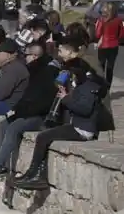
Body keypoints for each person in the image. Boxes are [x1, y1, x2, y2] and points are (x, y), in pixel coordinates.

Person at [13, 38, 108, 190]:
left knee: (43, 137)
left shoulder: (89, 86)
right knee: (46, 133)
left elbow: (84, 109)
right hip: (75, 124)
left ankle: (34, 175)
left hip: (82, 129)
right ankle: (36, 175)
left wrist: (67, 98)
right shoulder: (80, 84)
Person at [0, 41, 59, 179]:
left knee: (14, 127)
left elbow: (39, 103)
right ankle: (0, 163)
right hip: (27, 111)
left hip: (40, 116)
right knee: (3, 125)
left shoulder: (45, 75)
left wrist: (18, 112)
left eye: (26, 55)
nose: (24, 58)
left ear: (34, 56)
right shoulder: (31, 72)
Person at [94, 2, 123, 86]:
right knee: (110, 67)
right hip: (114, 46)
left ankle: (100, 85)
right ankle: (108, 86)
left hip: (103, 46)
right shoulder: (118, 20)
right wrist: (116, 39)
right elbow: (121, 34)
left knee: (101, 67)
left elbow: (97, 34)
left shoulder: (101, 20)